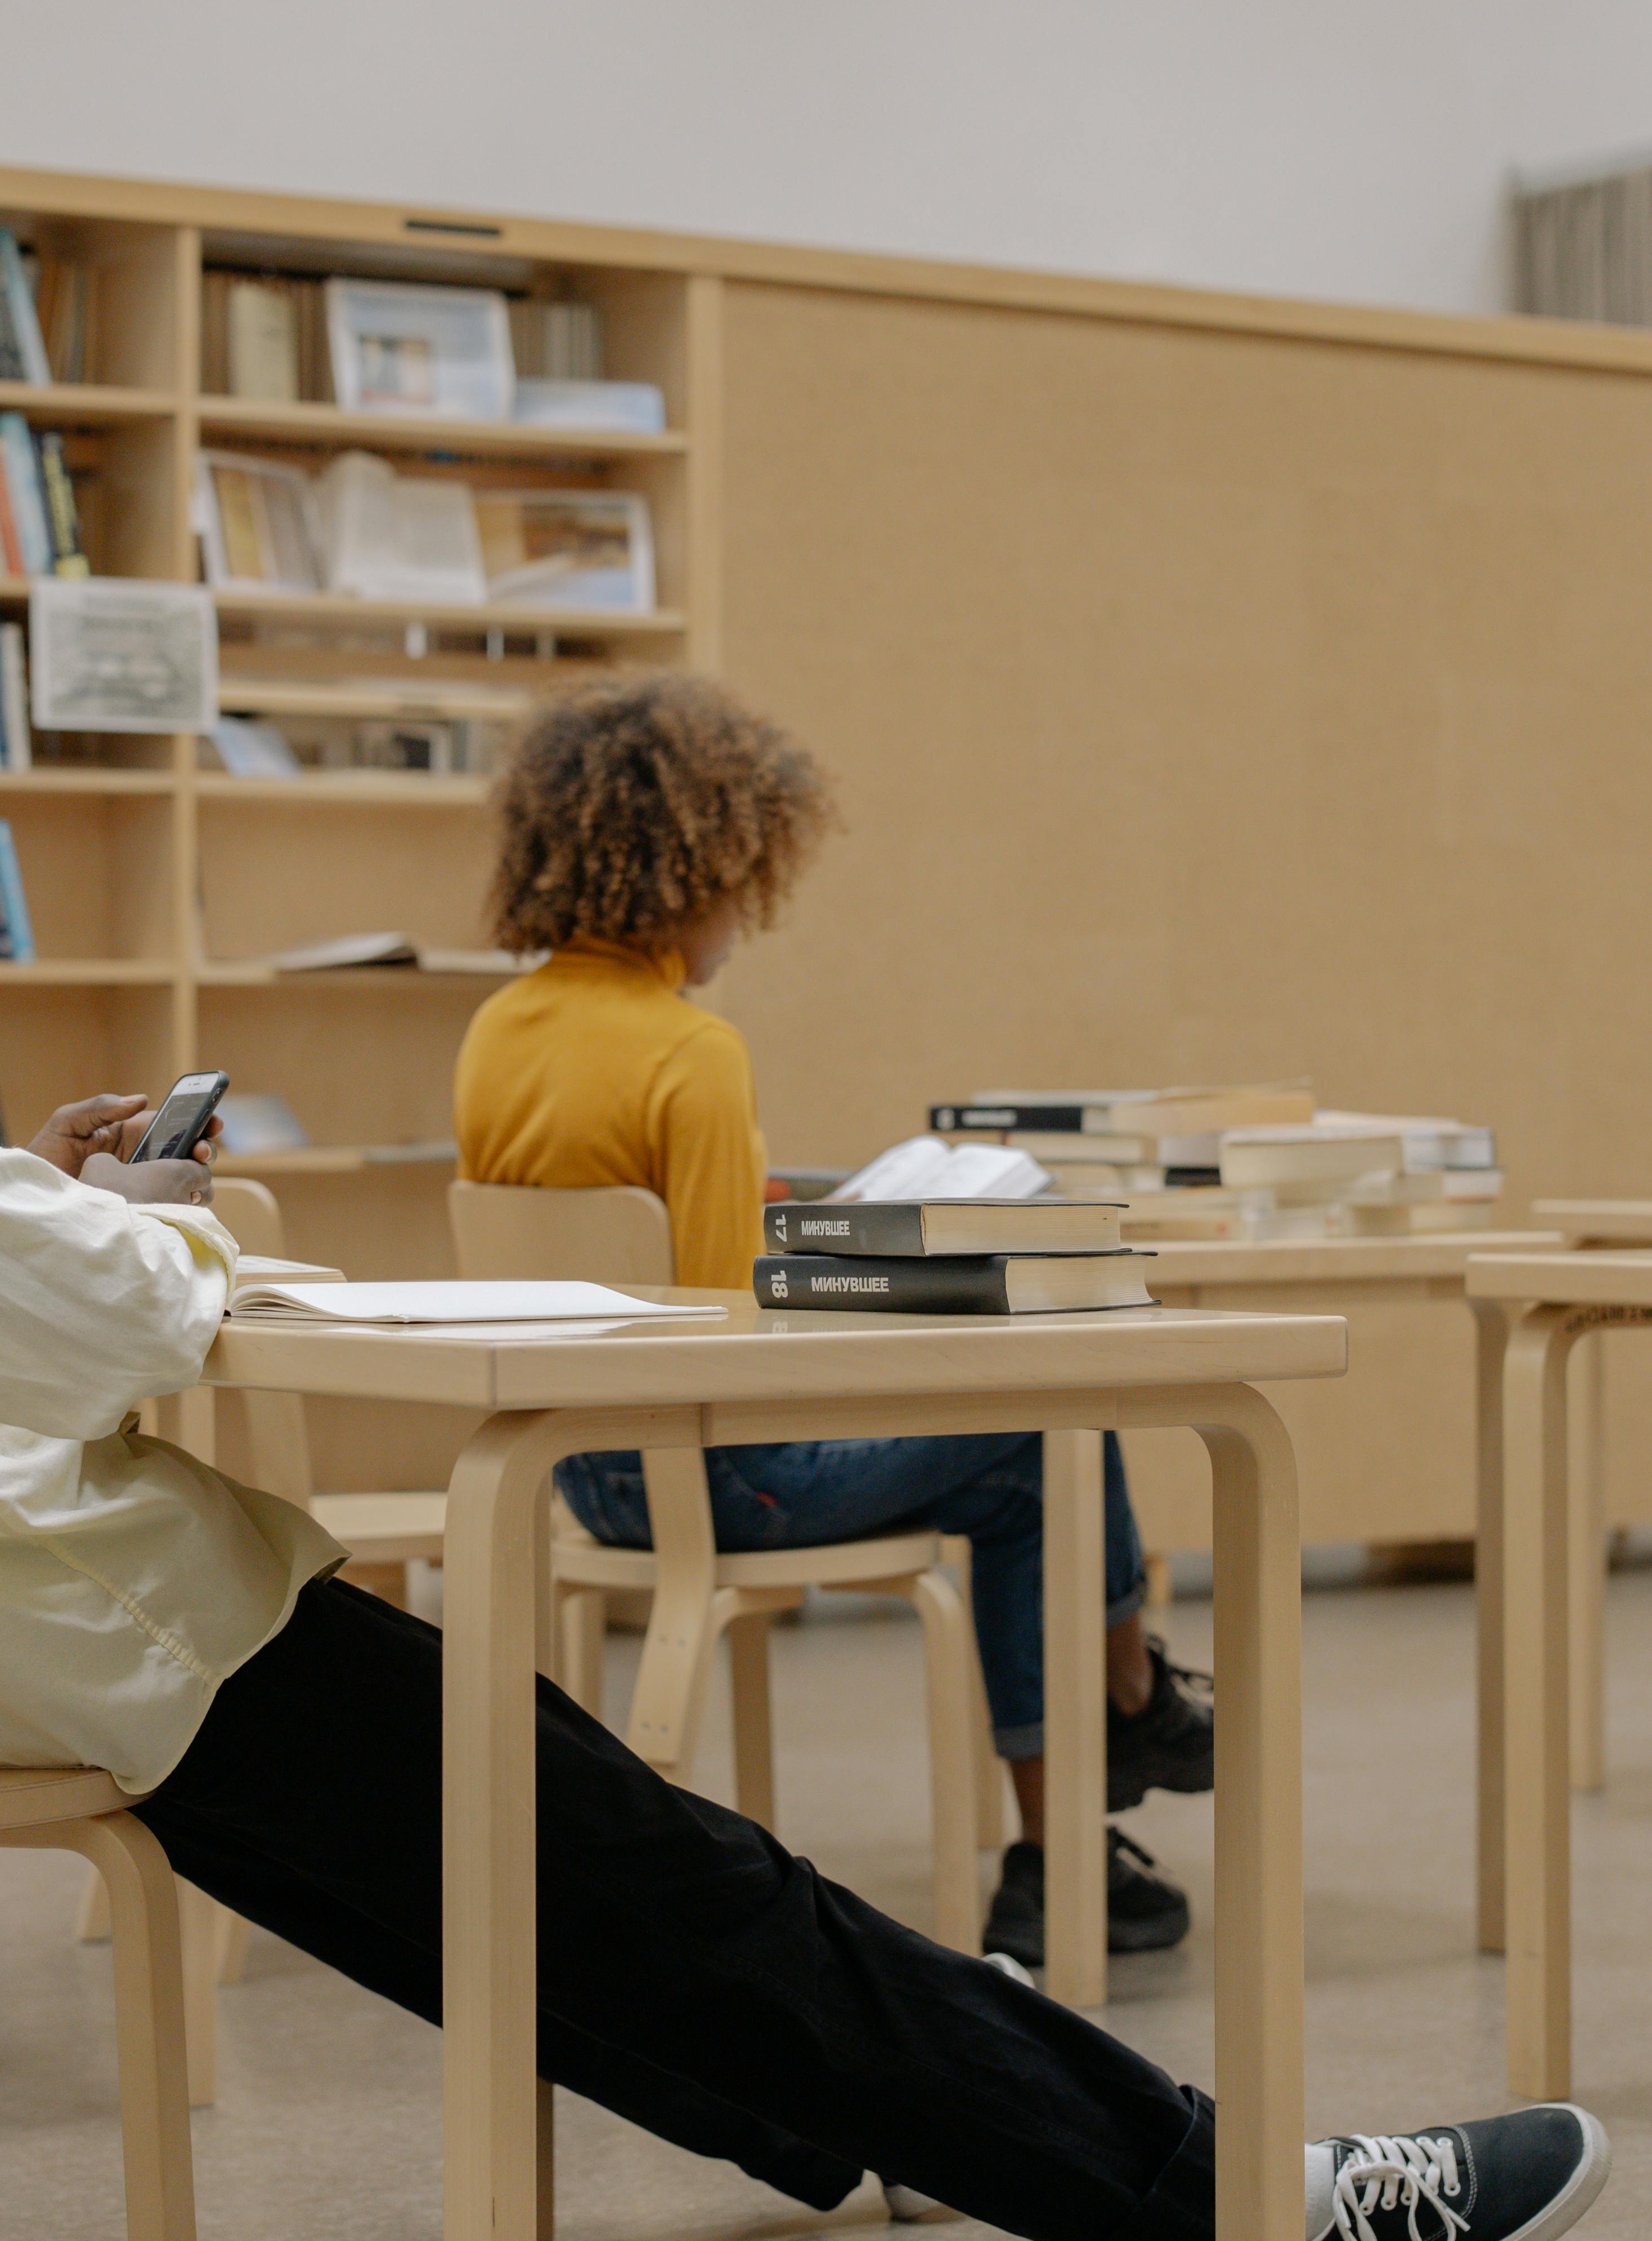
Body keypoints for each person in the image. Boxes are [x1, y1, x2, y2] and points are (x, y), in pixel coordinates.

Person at [0, 552, 1606, 2241]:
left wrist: (12, 1195)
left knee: (544, 1890)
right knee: (659, 1874)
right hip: (53, 1633)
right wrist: (152, 1222)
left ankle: (934, 2097)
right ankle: (1234, 2199)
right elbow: (84, 1329)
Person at [453, 672, 1200, 1964]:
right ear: (699, 868)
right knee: (1046, 1441)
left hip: (579, 1472)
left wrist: (770, 1204)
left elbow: (621, 1244)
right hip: (719, 1478)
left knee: (1030, 1440)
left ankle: (1122, 1738)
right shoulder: (692, 1053)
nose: (748, 913)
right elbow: (723, 1320)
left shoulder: (497, 1030)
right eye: (745, 880)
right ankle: (1083, 1800)